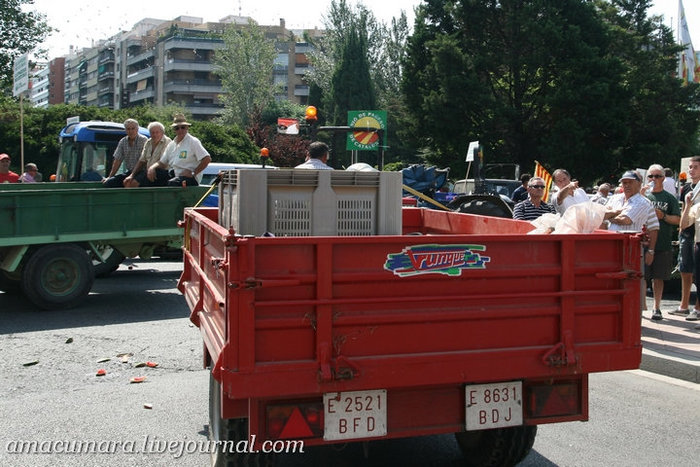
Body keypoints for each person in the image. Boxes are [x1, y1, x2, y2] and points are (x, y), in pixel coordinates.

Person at [644, 164, 681, 320]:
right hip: (643, 243)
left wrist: (664, 216)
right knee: (641, 277)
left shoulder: (669, 198)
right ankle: (641, 307)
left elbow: (678, 220)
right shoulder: (643, 196)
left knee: (658, 277)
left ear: (663, 178)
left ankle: (656, 308)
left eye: (657, 176)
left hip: (662, 243)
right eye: (651, 176)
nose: (654, 179)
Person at [147, 114, 211, 186]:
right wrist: (152, 168)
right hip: (175, 174)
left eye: (183, 127)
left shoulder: (193, 141)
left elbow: (207, 159)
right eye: (177, 128)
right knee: (154, 174)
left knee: (172, 183)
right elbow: (162, 162)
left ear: (187, 128)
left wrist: (193, 173)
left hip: (190, 178)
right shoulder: (172, 144)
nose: (180, 130)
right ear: (174, 130)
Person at [676, 156, 700, 320]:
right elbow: (684, 209)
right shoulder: (685, 188)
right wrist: (680, 230)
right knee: (685, 269)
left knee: (698, 274)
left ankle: (697, 308)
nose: (691, 170)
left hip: (698, 235)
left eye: (695, 167)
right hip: (687, 233)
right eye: (690, 167)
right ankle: (684, 305)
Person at [124, 122, 171, 187]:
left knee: (134, 183)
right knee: (127, 182)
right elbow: (142, 160)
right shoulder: (148, 142)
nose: (155, 135)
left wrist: (152, 168)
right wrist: (132, 175)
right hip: (149, 171)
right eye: (152, 132)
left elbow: (163, 162)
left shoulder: (168, 142)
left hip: (162, 172)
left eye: (157, 132)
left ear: (162, 132)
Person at [103, 118, 147, 188]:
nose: (131, 131)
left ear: (137, 129)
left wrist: (132, 175)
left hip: (142, 172)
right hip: (130, 171)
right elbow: (118, 160)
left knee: (131, 183)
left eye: (133, 128)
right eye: (128, 129)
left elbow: (143, 160)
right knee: (109, 182)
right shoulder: (123, 141)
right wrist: (110, 176)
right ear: (125, 130)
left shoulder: (143, 140)